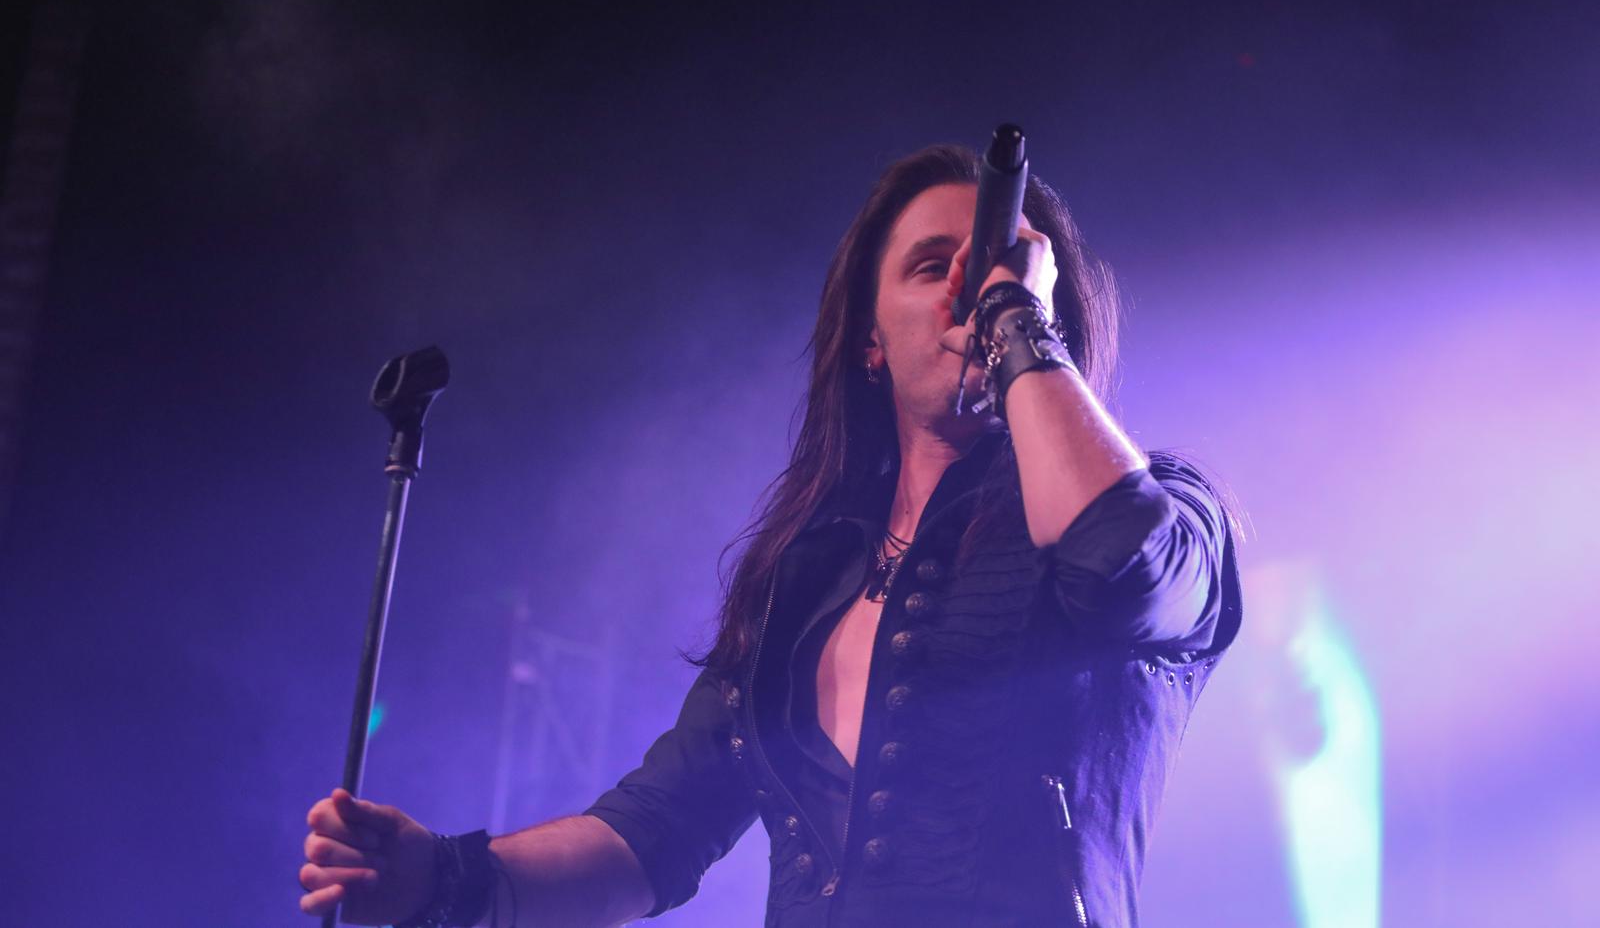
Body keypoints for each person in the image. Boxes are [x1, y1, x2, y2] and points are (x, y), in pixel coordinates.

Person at [299, 144, 1244, 927]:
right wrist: (437, 875)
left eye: (999, 271)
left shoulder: (1168, 506)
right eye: (934, 269)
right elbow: (652, 832)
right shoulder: (805, 578)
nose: (971, 295)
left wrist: (1014, 321)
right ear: (870, 340)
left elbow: (1120, 562)